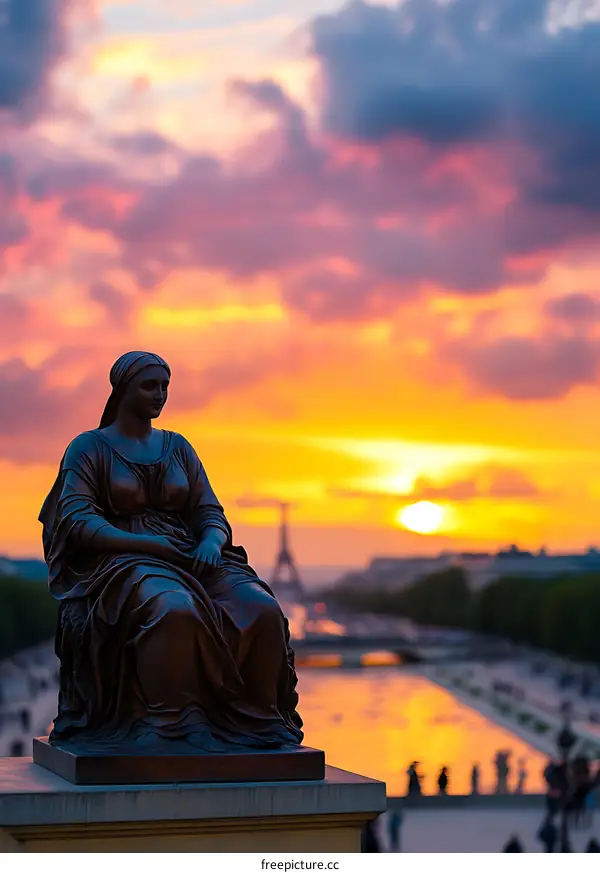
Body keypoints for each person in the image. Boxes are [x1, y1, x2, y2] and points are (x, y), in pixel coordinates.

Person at [39, 351, 304, 753]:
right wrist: (150, 544)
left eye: (165, 386)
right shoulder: (88, 448)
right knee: (173, 609)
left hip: (190, 554)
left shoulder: (178, 447)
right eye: (150, 385)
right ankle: (170, 722)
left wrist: (212, 543)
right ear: (123, 389)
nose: (161, 394)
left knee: (260, 608)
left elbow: (208, 512)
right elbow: (76, 520)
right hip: (122, 559)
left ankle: (259, 720)